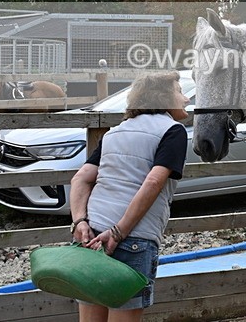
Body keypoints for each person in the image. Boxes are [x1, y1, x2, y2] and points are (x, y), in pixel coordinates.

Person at [69, 72, 190, 321]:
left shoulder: (114, 132)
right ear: (163, 97)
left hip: (92, 235)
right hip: (132, 239)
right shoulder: (173, 131)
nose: (186, 99)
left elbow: (80, 178)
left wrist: (80, 222)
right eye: (179, 91)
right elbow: (154, 181)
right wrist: (118, 232)